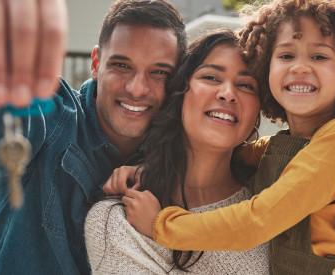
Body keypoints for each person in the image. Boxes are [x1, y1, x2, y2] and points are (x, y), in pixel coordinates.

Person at [0, 0, 335, 274]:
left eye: (244, 84)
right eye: (121, 66)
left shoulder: (264, 182)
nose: (139, 88)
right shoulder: (78, 151)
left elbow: (294, 178)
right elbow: (2, 113)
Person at [119, 0, 335, 274]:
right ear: (267, 68)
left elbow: (257, 221)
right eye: (286, 55)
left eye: (319, 56)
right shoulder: (287, 145)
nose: (299, 67)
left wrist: (161, 225)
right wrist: (151, 168)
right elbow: (226, 155)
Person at [85, 30, 270, 274]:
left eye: (246, 85)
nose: (227, 93)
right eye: (211, 77)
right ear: (180, 93)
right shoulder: (117, 220)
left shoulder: (275, 201)